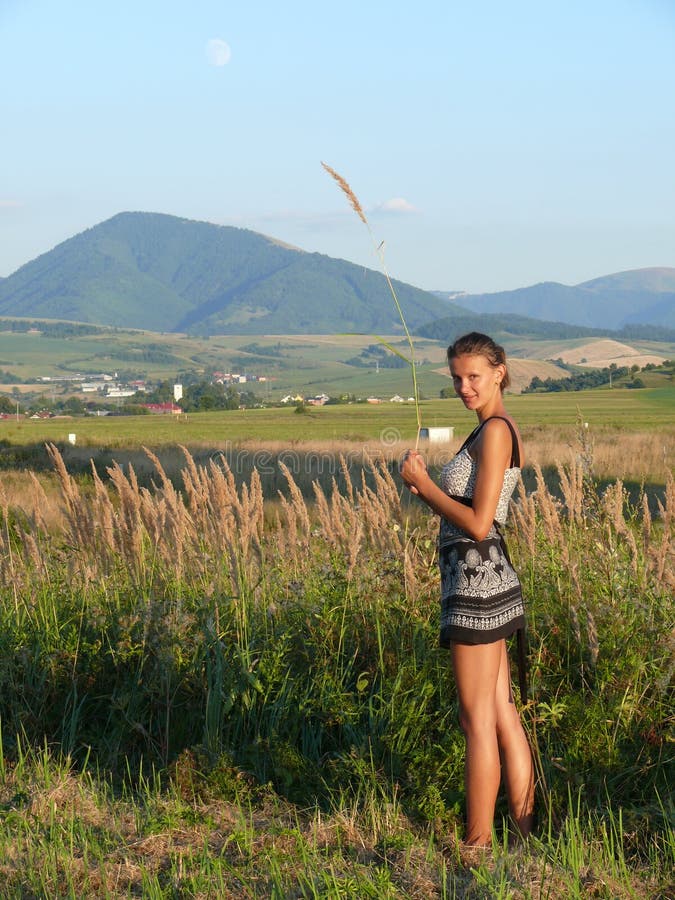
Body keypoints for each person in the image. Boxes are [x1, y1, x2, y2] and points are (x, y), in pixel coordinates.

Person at [400, 332, 534, 848]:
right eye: (456, 377)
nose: (464, 386)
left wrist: (428, 487)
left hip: (477, 585)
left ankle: (477, 848)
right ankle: (522, 838)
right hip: (482, 580)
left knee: (476, 718)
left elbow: (479, 523)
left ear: (500, 371)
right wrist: (425, 489)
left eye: (474, 375)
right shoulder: (487, 431)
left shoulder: (496, 432)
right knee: (498, 712)